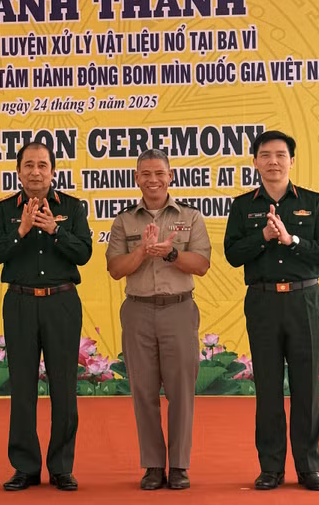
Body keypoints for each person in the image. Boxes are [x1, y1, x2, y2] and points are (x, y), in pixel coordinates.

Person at [224, 130, 319, 491]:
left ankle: (308, 467)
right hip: (262, 301)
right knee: (269, 387)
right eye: (265, 155)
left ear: (292, 160)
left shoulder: (314, 202)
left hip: (304, 301)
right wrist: (264, 237)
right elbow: (232, 255)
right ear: (255, 161)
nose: (273, 161)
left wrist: (292, 240)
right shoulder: (242, 206)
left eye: (280, 155)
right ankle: (271, 468)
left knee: (306, 387)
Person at [0, 141, 92, 491]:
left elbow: (85, 253)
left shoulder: (72, 208)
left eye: (42, 165)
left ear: (53, 171)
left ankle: (61, 467)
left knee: (63, 387)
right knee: (23, 387)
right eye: (28, 165)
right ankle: (25, 467)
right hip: (20, 303)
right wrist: (21, 231)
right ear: (18, 171)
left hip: (61, 303)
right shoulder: (2, 211)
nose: (35, 172)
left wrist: (54, 230)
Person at [105, 149, 211, 490]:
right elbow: (115, 269)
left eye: (159, 174)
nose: (153, 180)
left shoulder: (190, 217)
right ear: (136, 178)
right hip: (137, 311)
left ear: (170, 177)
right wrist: (141, 251)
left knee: (181, 392)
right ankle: (152, 465)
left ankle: (179, 465)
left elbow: (202, 265)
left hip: (179, 309)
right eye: (146, 174)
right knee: (143, 391)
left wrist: (170, 252)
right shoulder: (124, 221)